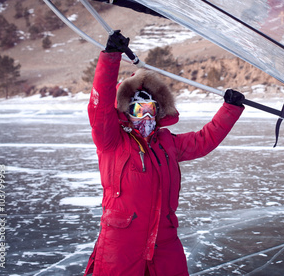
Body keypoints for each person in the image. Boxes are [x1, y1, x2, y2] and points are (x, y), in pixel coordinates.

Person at [84, 31, 245, 275]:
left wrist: (230, 109)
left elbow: (205, 140)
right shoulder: (112, 141)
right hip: (122, 243)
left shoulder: (167, 143)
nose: (146, 116)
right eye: (139, 109)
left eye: (151, 109)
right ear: (127, 110)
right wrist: (111, 57)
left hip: (164, 240)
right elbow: (101, 106)